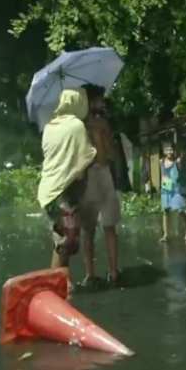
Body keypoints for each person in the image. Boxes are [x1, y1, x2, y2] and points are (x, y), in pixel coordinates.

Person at [37, 88, 97, 279]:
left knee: (64, 240)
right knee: (66, 242)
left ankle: (64, 284)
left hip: (49, 192)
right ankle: (57, 286)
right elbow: (88, 156)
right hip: (65, 192)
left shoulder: (49, 127)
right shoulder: (77, 126)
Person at [78, 84, 122, 287]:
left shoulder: (79, 125)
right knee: (109, 226)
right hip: (102, 174)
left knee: (89, 229)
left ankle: (89, 273)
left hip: (87, 176)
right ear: (93, 101)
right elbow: (110, 153)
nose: (102, 103)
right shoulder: (101, 124)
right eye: (99, 100)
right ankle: (113, 271)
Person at [159, 142, 186, 242]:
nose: (169, 152)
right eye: (167, 150)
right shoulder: (161, 162)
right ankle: (165, 234)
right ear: (164, 151)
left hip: (175, 190)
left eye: (171, 149)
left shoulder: (177, 162)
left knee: (180, 210)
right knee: (165, 211)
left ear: (174, 151)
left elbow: (181, 171)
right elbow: (163, 174)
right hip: (165, 189)